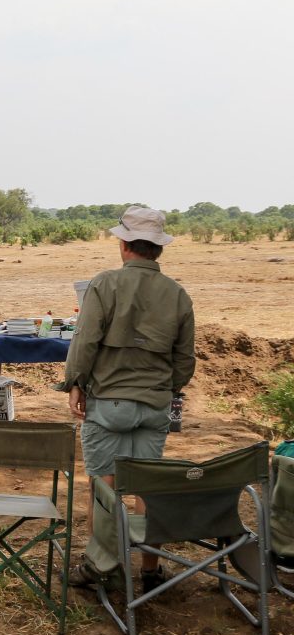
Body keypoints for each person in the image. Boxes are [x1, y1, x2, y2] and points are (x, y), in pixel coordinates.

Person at [63, 206, 195, 592]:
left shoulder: (104, 285)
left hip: (109, 405)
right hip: (155, 405)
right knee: (147, 484)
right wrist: (165, 388)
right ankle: (151, 569)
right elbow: (184, 359)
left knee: (104, 485)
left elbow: (84, 341)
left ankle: (102, 564)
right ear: (159, 250)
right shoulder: (177, 294)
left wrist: (76, 383)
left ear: (123, 245)